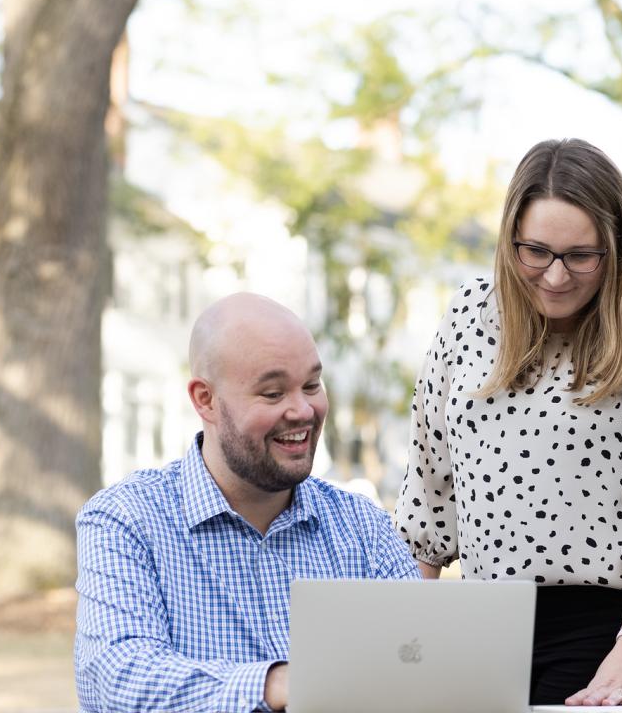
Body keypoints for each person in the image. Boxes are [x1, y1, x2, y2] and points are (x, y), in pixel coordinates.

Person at [396, 138, 622, 707]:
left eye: (582, 255)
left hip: (609, 623)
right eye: (536, 251)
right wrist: (400, 641)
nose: (557, 276)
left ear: (616, 249)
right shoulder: (468, 315)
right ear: (509, 239)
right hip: (481, 625)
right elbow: (429, 491)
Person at [74, 293, 419, 713]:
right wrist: (277, 684)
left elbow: (421, 664)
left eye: (312, 385)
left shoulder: (364, 527)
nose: (303, 410)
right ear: (205, 400)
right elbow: (118, 680)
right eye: (273, 394)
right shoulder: (126, 520)